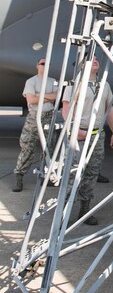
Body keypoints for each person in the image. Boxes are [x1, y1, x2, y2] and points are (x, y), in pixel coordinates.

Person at [62, 56, 113, 225]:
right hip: (78, 135)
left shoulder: (105, 85)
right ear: (82, 65)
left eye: (96, 59)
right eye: (90, 59)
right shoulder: (75, 84)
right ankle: (63, 213)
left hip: (97, 136)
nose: (95, 60)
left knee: (92, 173)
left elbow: (109, 110)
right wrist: (74, 130)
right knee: (73, 174)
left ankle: (84, 211)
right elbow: (66, 110)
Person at [12, 58, 58, 192]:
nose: (45, 65)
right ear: (37, 66)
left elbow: (57, 96)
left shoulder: (52, 81)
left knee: (49, 148)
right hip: (34, 117)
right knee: (27, 147)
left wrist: (40, 95)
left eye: (47, 64)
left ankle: (47, 176)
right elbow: (31, 100)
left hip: (49, 116)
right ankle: (19, 176)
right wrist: (47, 97)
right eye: (42, 63)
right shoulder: (31, 81)